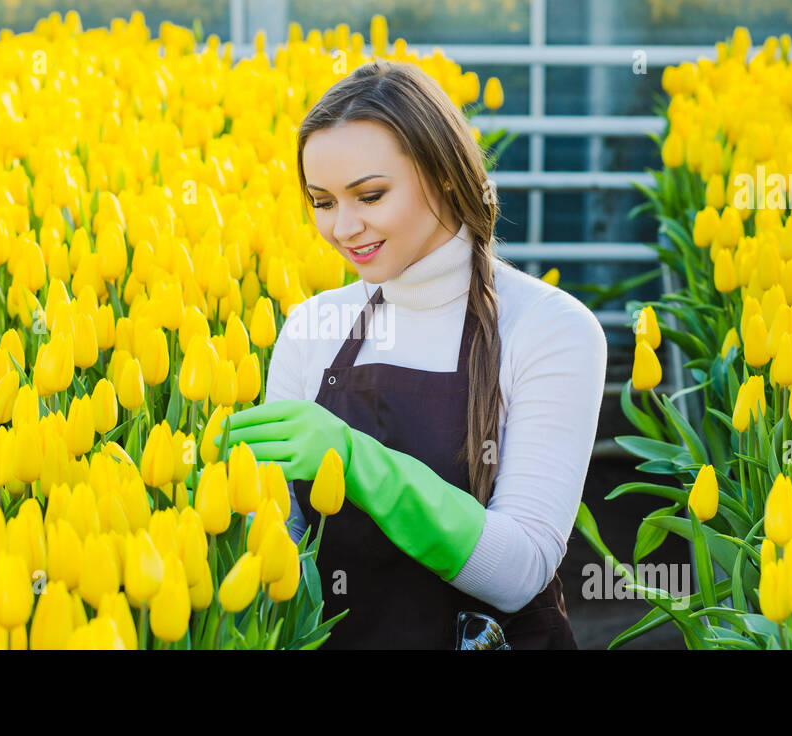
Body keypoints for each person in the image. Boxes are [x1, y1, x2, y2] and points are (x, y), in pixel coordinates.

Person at [213, 60, 607, 649]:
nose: (343, 227)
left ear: (444, 176)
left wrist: (360, 464)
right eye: (322, 202)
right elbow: (281, 550)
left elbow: (521, 571)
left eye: (370, 195)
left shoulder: (551, 329)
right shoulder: (314, 327)